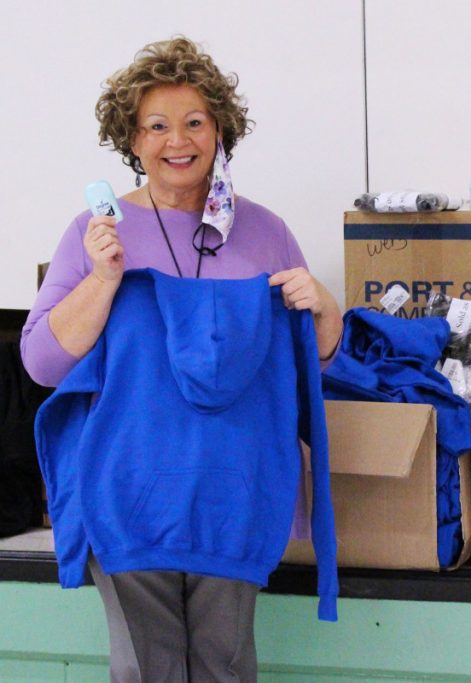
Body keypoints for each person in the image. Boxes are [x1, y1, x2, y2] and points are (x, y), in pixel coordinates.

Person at [21, 37, 343, 682]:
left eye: (195, 122)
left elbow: (311, 365)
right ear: (131, 140)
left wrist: (326, 312)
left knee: (227, 667)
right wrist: (104, 279)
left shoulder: (266, 232)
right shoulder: (95, 234)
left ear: (220, 130)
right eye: (157, 125)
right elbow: (43, 363)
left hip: (236, 491)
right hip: (127, 487)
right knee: (148, 672)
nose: (179, 140)